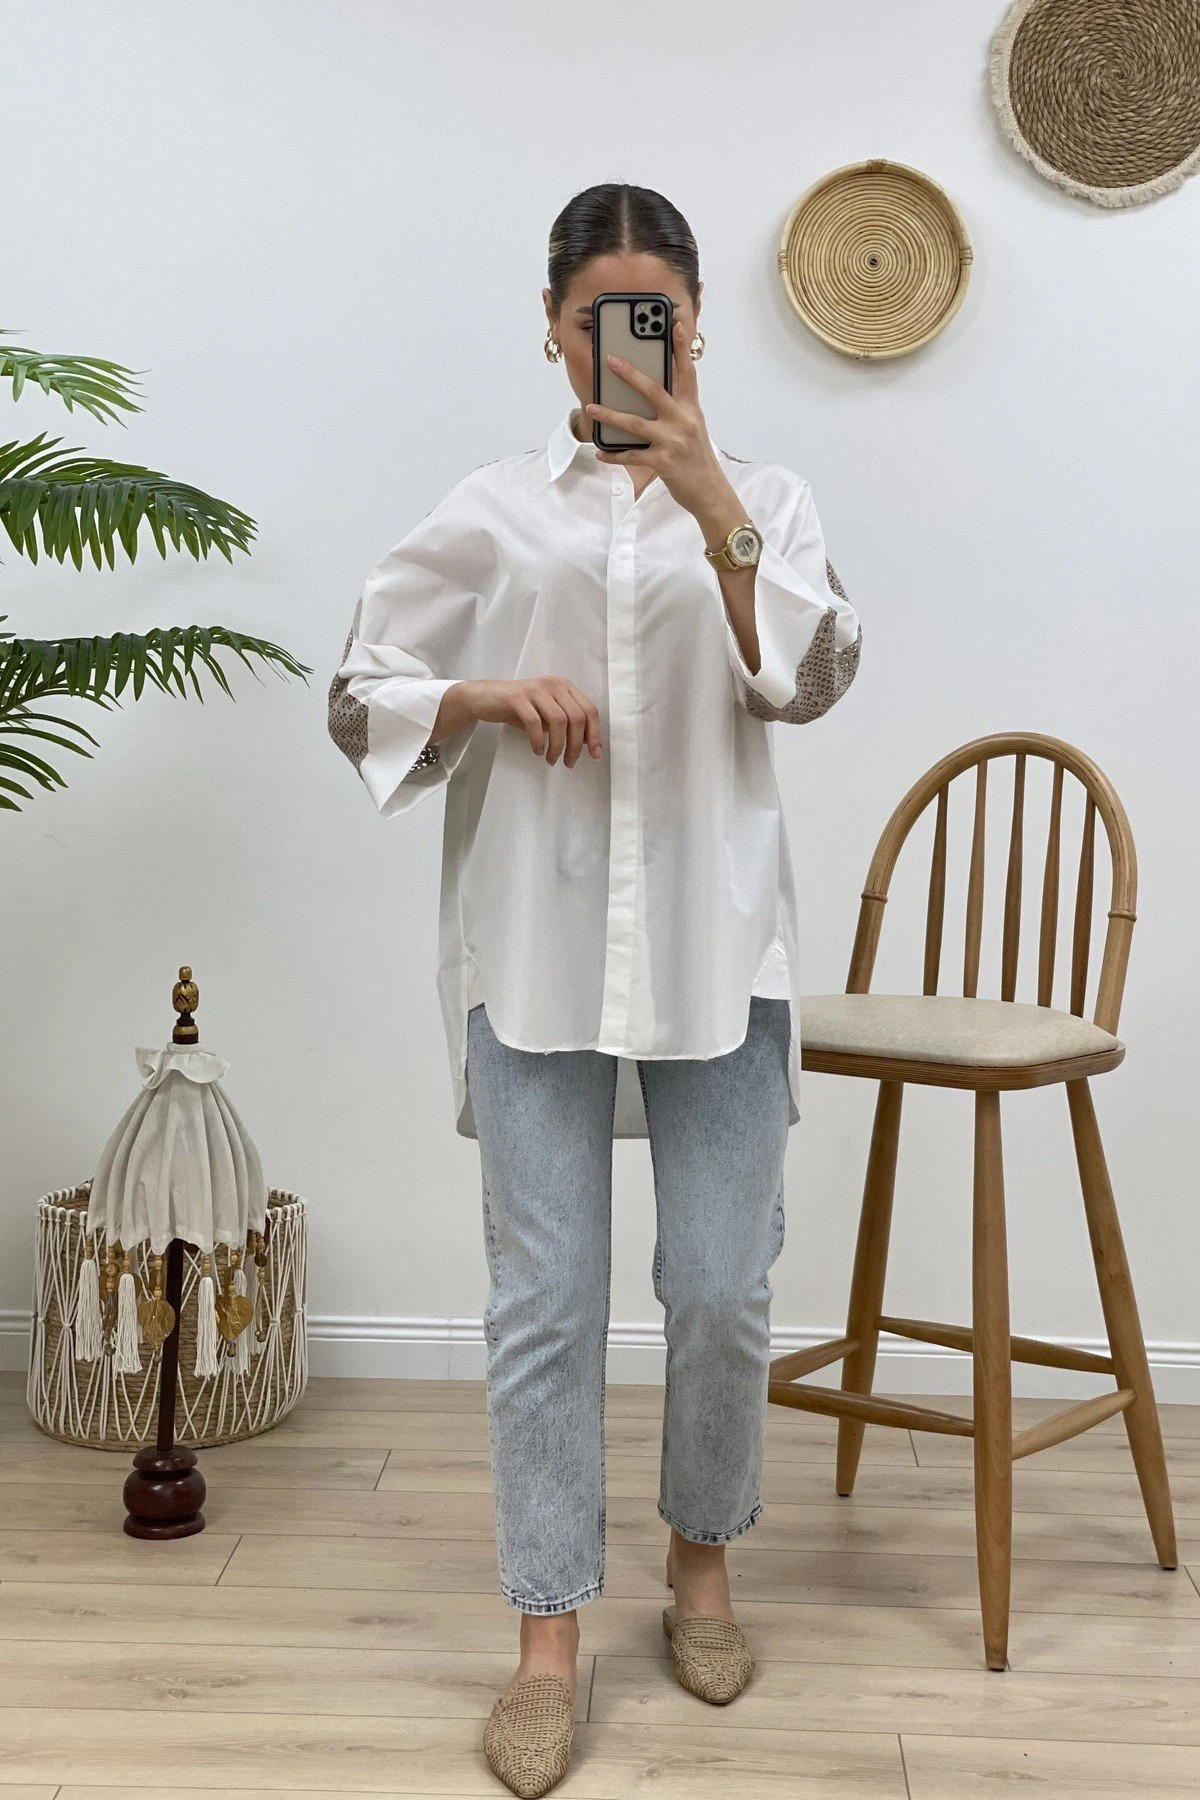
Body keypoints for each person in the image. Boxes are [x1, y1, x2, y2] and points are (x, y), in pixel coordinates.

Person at [328, 181, 862, 1799]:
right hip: (537, 945)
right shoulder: (496, 507)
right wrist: (487, 695)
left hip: (720, 943)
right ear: (554, 330)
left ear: (695, 327)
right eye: (598, 320)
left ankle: (702, 1562)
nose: (629, 345)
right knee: (546, 1300)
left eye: (659, 319)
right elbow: (356, 693)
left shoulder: (766, 497)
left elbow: (814, 677)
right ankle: (547, 1633)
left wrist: (714, 505)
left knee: (723, 1285)